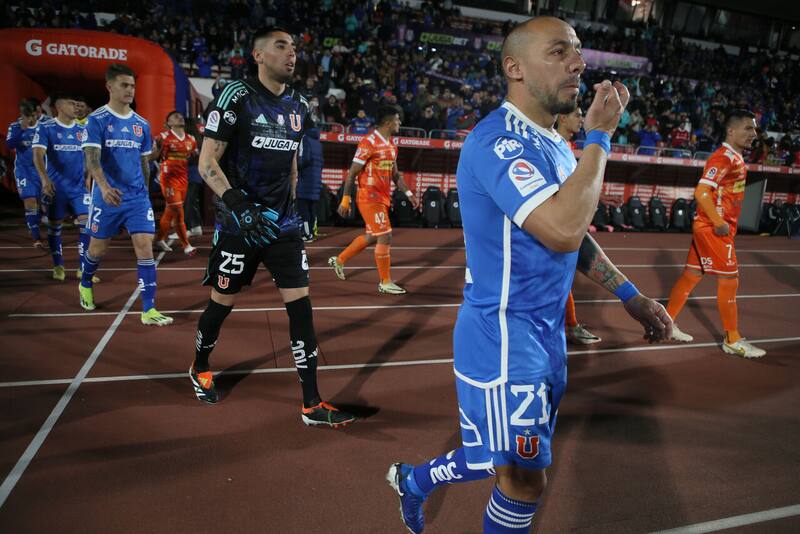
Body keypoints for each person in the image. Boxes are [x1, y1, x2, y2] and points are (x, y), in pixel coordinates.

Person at [386, 17, 672, 533]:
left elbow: (574, 234)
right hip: (503, 338)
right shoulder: (498, 141)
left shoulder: (556, 144)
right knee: (521, 477)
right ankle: (414, 482)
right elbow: (562, 228)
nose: (579, 63)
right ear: (514, 68)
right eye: (560, 52)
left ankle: (414, 481)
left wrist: (629, 295)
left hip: (545, 337)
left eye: (579, 52)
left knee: (507, 463)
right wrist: (602, 135)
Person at [191, 27, 355, 427]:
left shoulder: (301, 104)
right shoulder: (236, 96)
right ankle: (199, 366)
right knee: (221, 304)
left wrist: (298, 208)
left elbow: (292, 162)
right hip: (238, 226)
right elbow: (207, 162)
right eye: (282, 46)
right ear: (258, 55)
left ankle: (312, 403)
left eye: (295, 48)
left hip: (283, 225)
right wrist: (238, 207)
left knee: (301, 309)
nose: (292, 54)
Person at [79, 63, 173, 326]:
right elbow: (92, 160)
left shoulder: (141, 124)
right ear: (109, 87)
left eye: (132, 85)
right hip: (106, 197)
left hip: (136, 198)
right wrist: (105, 188)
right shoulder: (97, 120)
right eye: (124, 85)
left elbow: (144, 161)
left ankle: (149, 309)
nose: (130, 90)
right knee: (97, 249)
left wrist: (144, 190)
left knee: (145, 247)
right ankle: (85, 282)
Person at [665, 109, 765, 358]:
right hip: (713, 229)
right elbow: (701, 192)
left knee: (690, 276)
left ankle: (665, 325)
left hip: (709, 227)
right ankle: (732, 339)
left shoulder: (735, 157)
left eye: (754, 129)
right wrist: (719, 221)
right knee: (730, 281)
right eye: (748, 128)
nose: (754, 133)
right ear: (731, 131)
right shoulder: (724, 158)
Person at [328, 106, 420, 295]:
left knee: (372, 236)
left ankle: (339, 260)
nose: (399, 123)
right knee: (386, 235)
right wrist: (345, 199)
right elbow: (353, 172)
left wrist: (409, 194)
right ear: (387, 122)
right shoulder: (368, 142)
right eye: (397, 120)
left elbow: (396, 176)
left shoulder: (392, 146)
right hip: (369, 197)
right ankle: (385, 282)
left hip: (382, 198)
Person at [32, 93, 96, 282]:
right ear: (59, 107)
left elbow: (90, 154)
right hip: (56, 188)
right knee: (54, 227)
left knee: (87, 226)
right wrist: (44, 180)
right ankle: (58, 265)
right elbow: (37, 154)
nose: (77, 107)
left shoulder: (82, 128)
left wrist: (89, 177)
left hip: (78, 188)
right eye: (72, 104)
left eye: (78, 104)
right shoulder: (46, 128)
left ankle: (83, 268)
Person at [556, 106, 601, 344]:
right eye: (577, 115)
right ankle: (570, 325)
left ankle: (570, 324)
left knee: (563, 277)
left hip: (568, 221)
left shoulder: (567, 147)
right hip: (555, 223)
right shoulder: (552, 144)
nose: (581, 119)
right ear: (562, 118)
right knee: (559, 277)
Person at [152, 111, 198, 256]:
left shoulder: (191, 139)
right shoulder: (162, 137)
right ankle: (186, 245)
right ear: (169, 123)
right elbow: (153, 156)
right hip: (168, 178)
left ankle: (159, 239)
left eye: (180, 115)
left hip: (183, 178)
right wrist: (160, 165)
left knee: (171, 209)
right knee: (178, 210)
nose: (180, 116)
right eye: (174, 116)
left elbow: (193, 156)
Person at [6, 99, 43, 248]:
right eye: (25, 114)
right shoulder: (15, 126)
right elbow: (9, 145)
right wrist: (22, 129)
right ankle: (36, 237)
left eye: (31, 113)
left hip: (43, 171)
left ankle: (35, 220)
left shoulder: (45, 126)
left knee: (44, 206)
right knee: (30, 202)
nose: (28, 117)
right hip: (24, 170)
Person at [296, 119, 323, 242]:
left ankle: (306, 234)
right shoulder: (318, 142)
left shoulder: (305, 138)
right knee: (312, 208)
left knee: (303, 207)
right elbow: (321, 163)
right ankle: (312, 232)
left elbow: (304, 159)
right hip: (316, 180)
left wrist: (296, 166)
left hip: (305, 179)